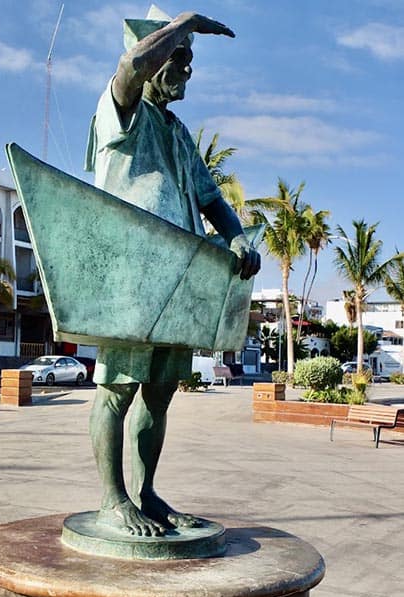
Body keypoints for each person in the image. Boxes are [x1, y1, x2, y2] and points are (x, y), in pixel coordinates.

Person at [85, 6, 261, 538]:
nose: (187, 69)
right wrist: (185, 24)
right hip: (130, 276)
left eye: (190, 60)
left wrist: (233, 234)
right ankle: (113, 500)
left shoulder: (179, 133)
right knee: (118, 389)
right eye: (179, 58)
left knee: (159, 392)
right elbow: (133, 63)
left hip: (179, 277)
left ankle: (147, 494)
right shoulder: (123, 109)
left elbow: (211, 197)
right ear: (159, 53)